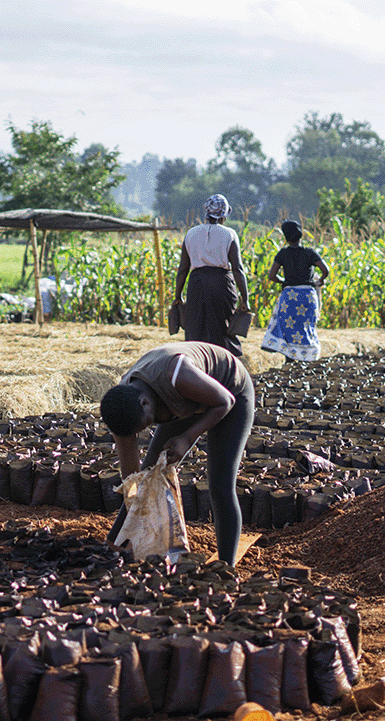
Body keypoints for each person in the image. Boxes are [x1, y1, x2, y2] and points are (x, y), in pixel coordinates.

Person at [100, 341, 254, 566]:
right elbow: (133, 480)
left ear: (144, 403)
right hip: (183, 401)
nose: (143, 431)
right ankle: (113, 543)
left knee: (220, 487)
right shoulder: (122, 412)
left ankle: (226, 568)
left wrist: (187, 438)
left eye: (145, 424)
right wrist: (115, 545)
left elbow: (225, 401)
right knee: (149, 473)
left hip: (229, 393)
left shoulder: (176, 374)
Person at [171, 194, 252, 357]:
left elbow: (183, 269)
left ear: (206, 213)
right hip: (221, 284)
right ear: (224, 215)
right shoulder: (229, 234)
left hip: (196, 284)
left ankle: (197, 365)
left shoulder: (191, 233)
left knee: (196, 327)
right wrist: (245, 298)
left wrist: (178, 295)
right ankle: (223, 365)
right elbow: (237, 268)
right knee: (223, 327)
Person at [260, 219, 330, 361]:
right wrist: (320, 280)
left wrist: (284, 281)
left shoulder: (282, 254)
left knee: (289, 330)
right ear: (300, 235)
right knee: (306, 328)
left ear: (286, 237)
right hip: (307, 296)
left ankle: (290, 362)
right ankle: (307, 360)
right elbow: (325, 270)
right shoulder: (309, 253)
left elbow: (272, 275)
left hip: (289, 296)